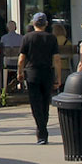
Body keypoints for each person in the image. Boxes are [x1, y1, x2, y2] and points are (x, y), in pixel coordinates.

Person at [17, 13, 61, 144]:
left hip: (32, 72)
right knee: (45, 102)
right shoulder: (52, 38)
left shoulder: (27, 38)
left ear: (33, 23)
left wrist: (20, 72)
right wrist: (58, 77)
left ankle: (41, 131)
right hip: (47, 72)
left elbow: (21, 58)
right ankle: (43, 129)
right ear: (46, 24)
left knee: (35, 103)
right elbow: (57, 59)